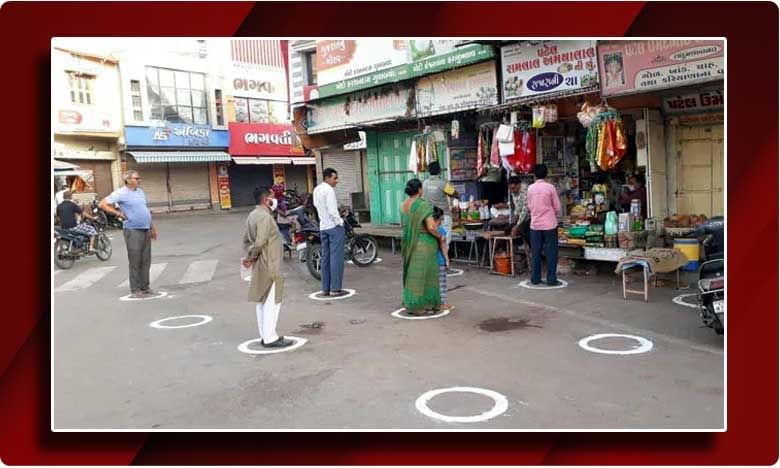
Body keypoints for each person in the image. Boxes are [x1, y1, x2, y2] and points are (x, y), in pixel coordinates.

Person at [242, 187, 293, 349]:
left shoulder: (252, 215)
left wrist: (250, 257)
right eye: (272, 197)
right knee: (272, 301)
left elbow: (246, 241)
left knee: (262, 300)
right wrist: (251, 257)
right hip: (269, 263)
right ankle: (270, 337)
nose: (275, 200)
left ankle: (265, 334)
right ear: (266, 200)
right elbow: (260, 241)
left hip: (260, 263)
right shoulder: (265, 217)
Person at [99, 170, 158, 299]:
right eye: (137, 178)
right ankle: (135, 289)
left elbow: (144, 210)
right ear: (128, 180)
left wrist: (152, 227)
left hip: (145, 228)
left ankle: (145, 287)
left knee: (146, 259)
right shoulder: (121, 193)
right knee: (135, 260)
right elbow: (102, 204)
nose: (139, 180)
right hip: (132, 230)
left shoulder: (140, 192)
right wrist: (118, 213)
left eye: (139, 178)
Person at [401, 179, 444, 315]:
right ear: (419, 190)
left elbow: (403, 225)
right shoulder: (422, 205)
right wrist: (439, 237)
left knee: (413, 275)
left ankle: (412, 305)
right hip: (424, 243)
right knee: (428, 275)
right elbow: (431, 227)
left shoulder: (403, 205)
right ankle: (428, 304)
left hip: (409, 243)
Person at [312, 168, 348, 298]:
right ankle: (335, 288)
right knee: (336, 258)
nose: (336, 181)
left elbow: (316, 206)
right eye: (335, 178)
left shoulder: (316, 190)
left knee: (326, 258)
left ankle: (325, 288)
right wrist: (340, 222)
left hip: (323, 227)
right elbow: (333, 211)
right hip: (333, 226)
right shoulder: (329, 190)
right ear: (327, 178)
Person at [526, 164, 562, 286]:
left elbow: (529, 206)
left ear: (535, 175)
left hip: (535, 225)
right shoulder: (550, 187)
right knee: (551, 252)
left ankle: (535, 278)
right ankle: (551, 278)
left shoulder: (530, 188)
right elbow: (557, 207)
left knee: (535, 252)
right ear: (546, 174)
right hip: (549, 224)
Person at [422, 161, 459, 247]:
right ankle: (444, 259)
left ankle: (436, 259)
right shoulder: (443, 183)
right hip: (443, 216)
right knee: (445, 240)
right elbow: (455, 194)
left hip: (430, 217)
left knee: (434, 240)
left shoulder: (425, 183)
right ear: (439, 170)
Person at [432, 207, 452, 312]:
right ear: (440, 217)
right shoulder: (440, 230)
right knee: (442, 284)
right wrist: (447, 260)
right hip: (439, 261)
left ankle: (431, 303)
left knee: (431, 284)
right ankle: (442, 304)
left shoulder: (427, 230)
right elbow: (443, 246)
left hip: (429, 262)